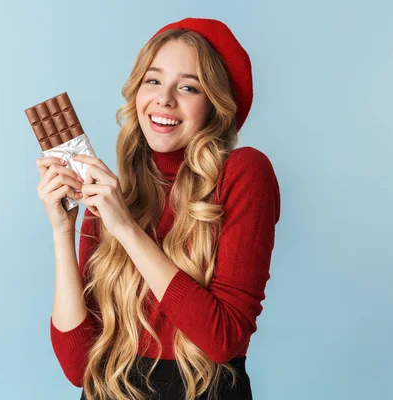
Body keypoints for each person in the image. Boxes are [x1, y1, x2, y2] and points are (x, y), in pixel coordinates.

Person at [36, 17, 281, 400]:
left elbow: (223, 340)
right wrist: (62, 230)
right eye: (153, 80)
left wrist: (127, 230)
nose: (164, 99)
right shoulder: (115, 193)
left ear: (215, 106)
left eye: (188, 87)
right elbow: (77, 366)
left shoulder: (244, 172)